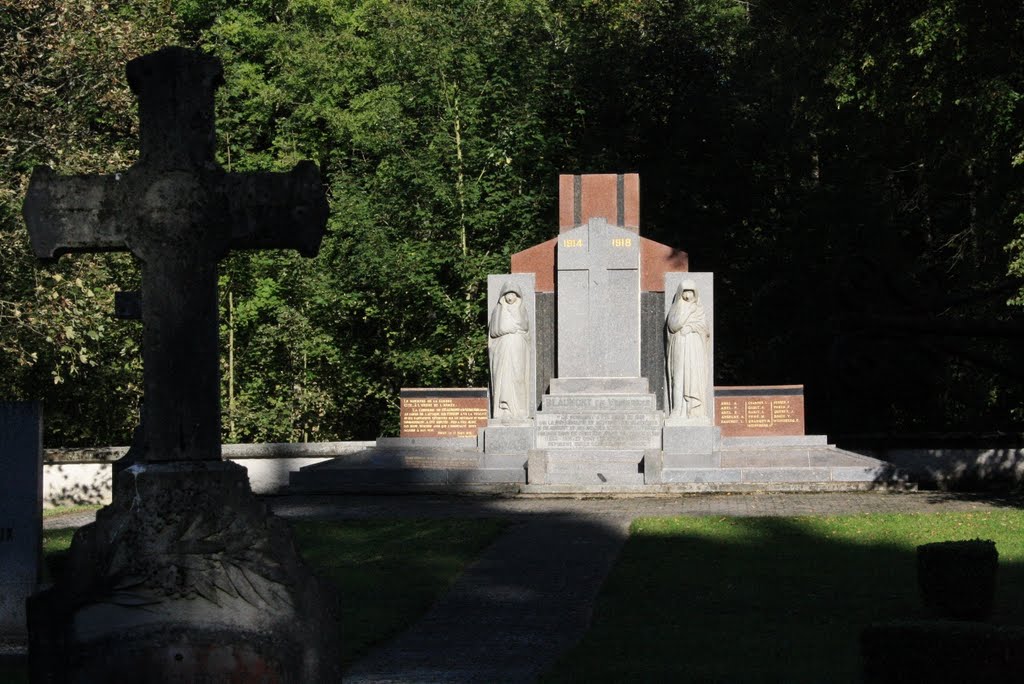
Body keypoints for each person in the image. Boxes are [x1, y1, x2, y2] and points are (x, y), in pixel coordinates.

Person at [666, 279, 710, 420]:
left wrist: (691, 327)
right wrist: (686, 313)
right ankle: (677, 410)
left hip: (694, 346)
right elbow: (673, 326)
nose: (688, 295)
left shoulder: (699, 309)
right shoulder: (676, 307)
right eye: (685, 291)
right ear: (681, 292)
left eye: (691, 291)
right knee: (678, 377)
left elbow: (704, 328)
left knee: (693, 375)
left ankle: (694, 409)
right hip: (680, 343)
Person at [488, 282, 530, 419]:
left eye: (513, 294)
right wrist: (507, 328)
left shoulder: (521, 309)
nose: (510, 297)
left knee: (518, 375)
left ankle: (519, 408)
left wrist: (514, 318)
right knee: (504, 376)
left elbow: (524, 326)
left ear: (517, 296)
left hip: (517, 346)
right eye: (508, 294)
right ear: (503, 296)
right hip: (503, 347)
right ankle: (504, 406)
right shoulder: (498, 310)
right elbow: (494, 331)